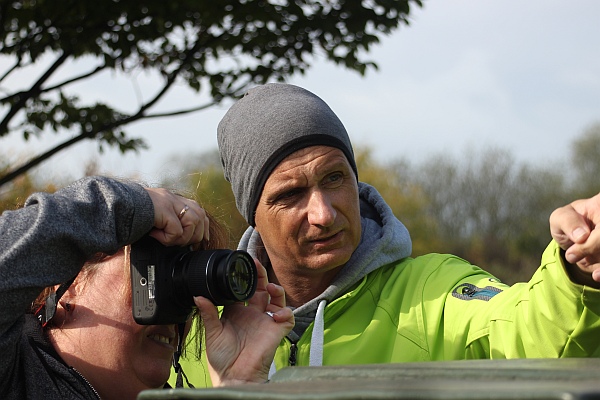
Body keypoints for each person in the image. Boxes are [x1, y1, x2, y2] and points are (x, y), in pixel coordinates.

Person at [174, 82, 600, 387]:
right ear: (254, 214)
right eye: (291, 195)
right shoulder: (199, 332)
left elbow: (525, 332)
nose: (323, 213)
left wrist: (577, 271)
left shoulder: (431, 293)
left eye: (335, 178)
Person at [0, 175, 294, 400]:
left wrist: (236, 387)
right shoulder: (15, 376)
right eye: (156, 269)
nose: (179, 302)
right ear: (71, 281)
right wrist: (129, 206)